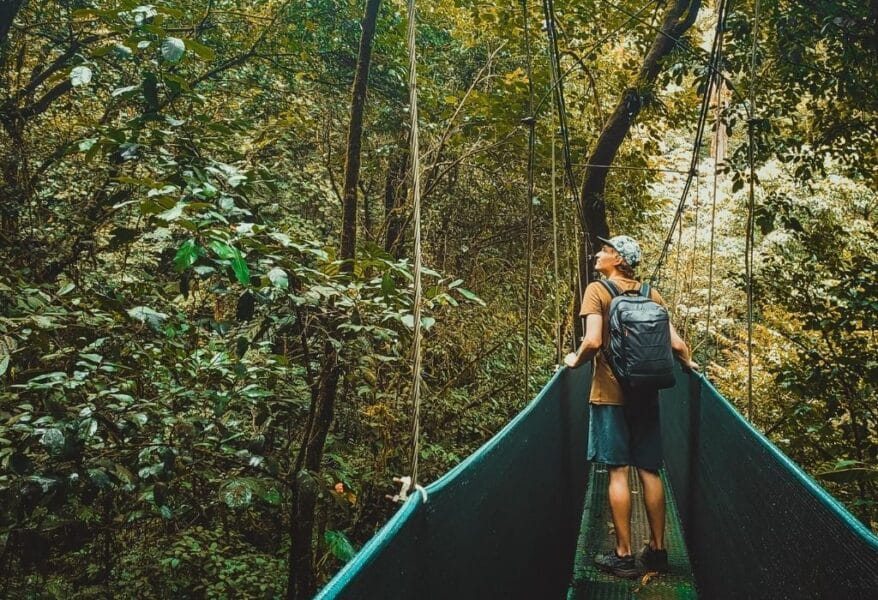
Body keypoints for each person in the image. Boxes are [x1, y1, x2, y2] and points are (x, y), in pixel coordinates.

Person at [564, 235, 698, 579]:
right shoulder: (650, 294)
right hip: (646, 396)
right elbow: (678, 344)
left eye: (606, 251)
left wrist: (574, 362)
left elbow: (592, 341)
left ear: (619, 260)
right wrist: (689, 365)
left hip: (610, 395)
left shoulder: (598, 291)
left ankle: (623, 555)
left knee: (618, 471)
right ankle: (657, 551)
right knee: (650, 471)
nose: (598, 254)